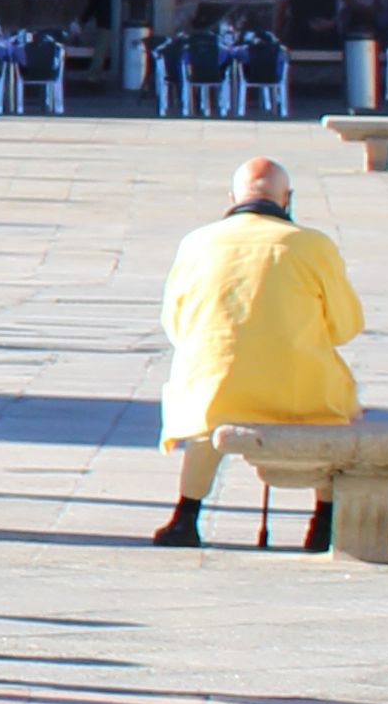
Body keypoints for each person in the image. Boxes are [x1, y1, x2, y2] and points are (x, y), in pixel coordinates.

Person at [153, 155, 361, 551]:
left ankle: (186, 515)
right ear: (288, 199)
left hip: (215, 391)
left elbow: (176, 325)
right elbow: (344, 327)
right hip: (299, 392)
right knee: (340, 411)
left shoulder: (197, 242)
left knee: (209, 398)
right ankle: (324, 520)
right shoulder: (312, 244)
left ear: (233, 197)